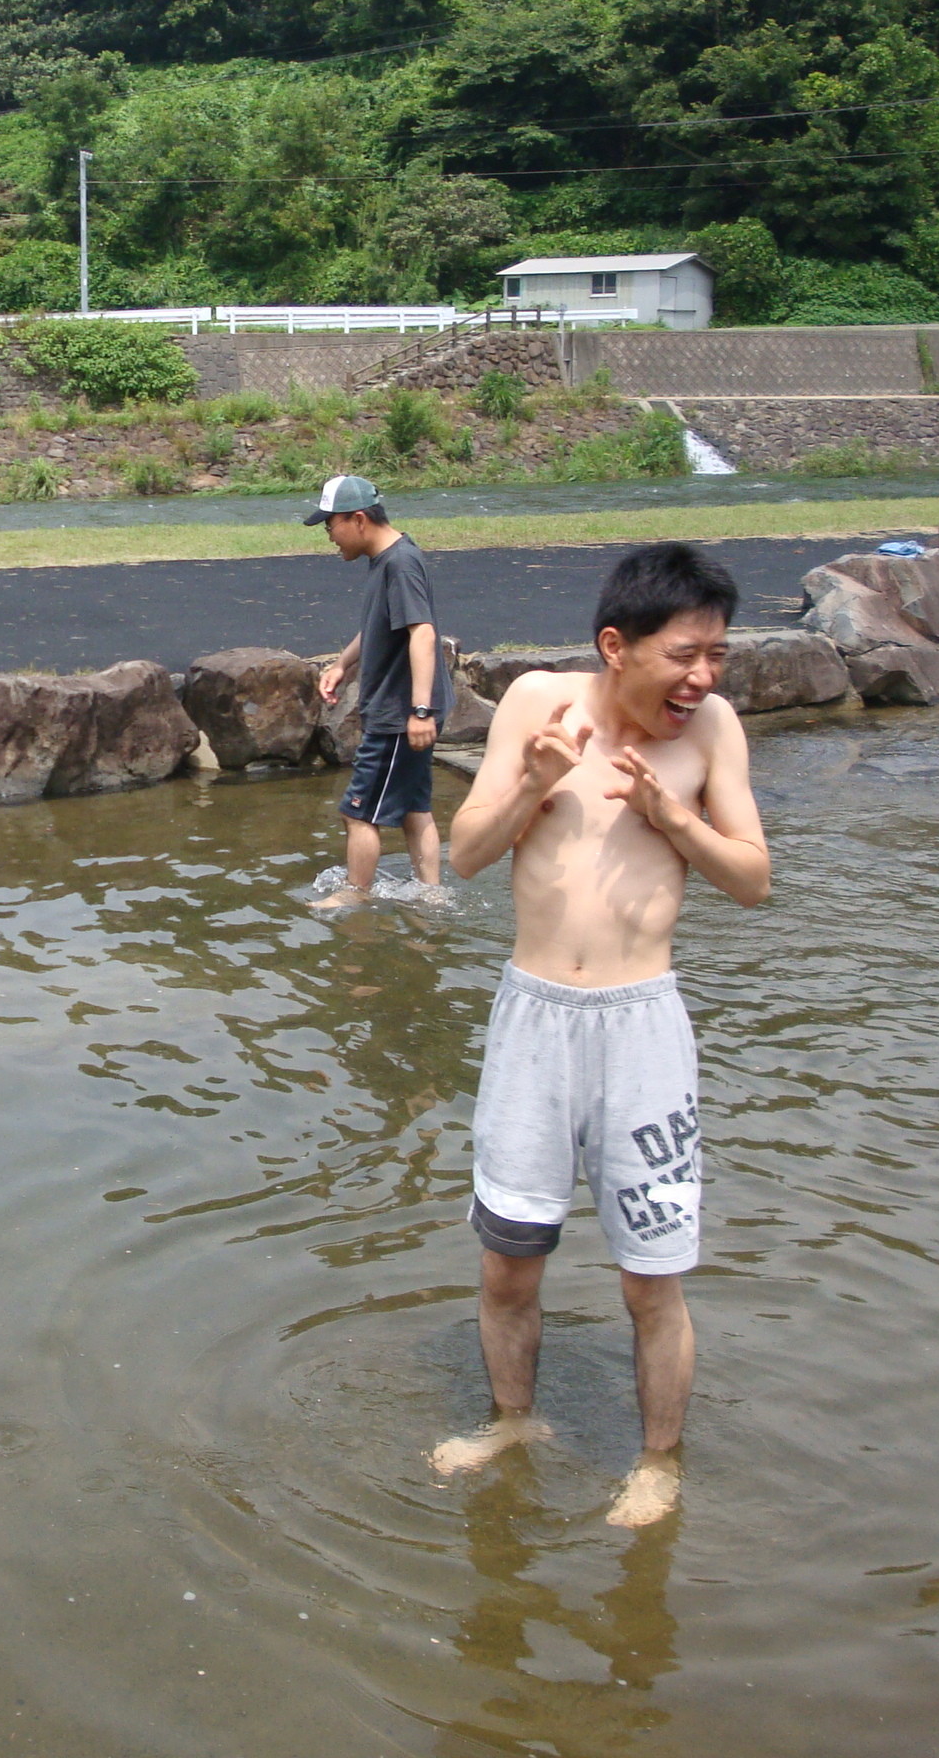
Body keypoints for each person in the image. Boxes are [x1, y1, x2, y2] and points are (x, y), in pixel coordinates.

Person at [433, 542, 770, 1527]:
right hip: (534, 1018)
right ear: (616, 646)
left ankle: (658, 1463)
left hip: (643, 1029)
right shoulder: (539, 703)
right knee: (508, 1263)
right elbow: (463, 858)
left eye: (717, 654)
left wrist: (674, 818)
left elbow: (752, 881)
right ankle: (510, 1421)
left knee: (651, 1281)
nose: (702, 677)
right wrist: (535, 782)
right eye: (685, 655)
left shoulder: (712, 732)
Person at [309, 473, 451, 908]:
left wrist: (420, 711)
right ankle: (431, 895)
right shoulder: (387, 559)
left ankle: (355, 898)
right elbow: (378, 624)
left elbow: (422, 633)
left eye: (330, 525)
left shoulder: (400, 563)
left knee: (357, 812)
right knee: (413, 806)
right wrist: (341, 663)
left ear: (357, 519)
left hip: (398, 714)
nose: (329, 536)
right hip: (401, 710)